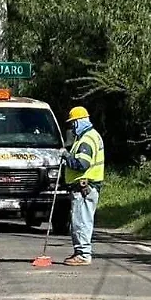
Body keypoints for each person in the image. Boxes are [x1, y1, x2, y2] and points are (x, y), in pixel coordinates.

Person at [60, 107, 105, 266]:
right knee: (81, 221)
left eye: (73, 123)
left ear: (79, 122)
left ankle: (83, 254)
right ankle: (80, 252)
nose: (72, 127)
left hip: (84, 188)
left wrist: (66, 156)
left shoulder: (87, 139)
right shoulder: (90, 136)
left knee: (81, 222)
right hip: (86, 187)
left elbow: (82, 164)